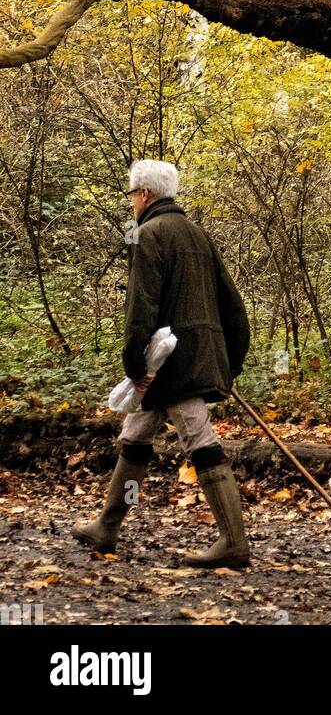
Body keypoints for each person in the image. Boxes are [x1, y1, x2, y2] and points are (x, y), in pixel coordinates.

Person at [73, 160, 252, 568]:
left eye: (132, 194)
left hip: (172, 365)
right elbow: (233, 306)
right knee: (136, 434)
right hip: (194, 356)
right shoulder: (199, 235)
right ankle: (107, 526)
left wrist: (133, 361)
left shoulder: (147, 234)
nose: (131, 202)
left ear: (147, 194)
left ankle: (233, 543)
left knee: (199, 440)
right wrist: (231, 360)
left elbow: (141, 307)